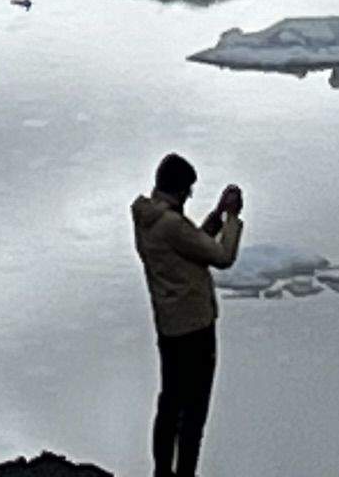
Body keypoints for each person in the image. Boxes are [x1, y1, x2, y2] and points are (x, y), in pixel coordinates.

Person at [130, 152, 241, 477]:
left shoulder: (148, 218)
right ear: (179, 189)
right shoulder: (171, 224)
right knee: (193, 413)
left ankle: (162, 472)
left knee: (169, 405)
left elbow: (191, 245)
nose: (190, 195)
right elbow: (222, 256)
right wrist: (232, 218)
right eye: (188, 190)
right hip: (196, 329)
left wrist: (216, 216)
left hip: (169, 327)